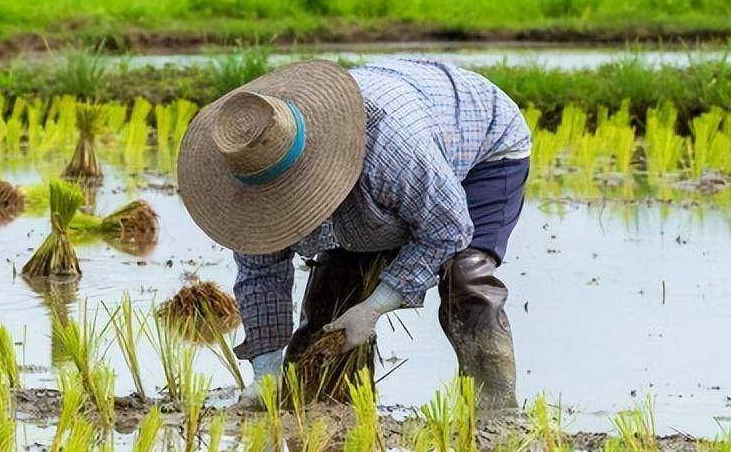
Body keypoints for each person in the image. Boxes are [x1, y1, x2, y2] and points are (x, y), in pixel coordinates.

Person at [176, 58, 531, 412]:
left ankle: (494, 408)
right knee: (331, 306)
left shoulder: (391, 149)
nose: (279, 204)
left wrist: (374, 308)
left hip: (481, 144)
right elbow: (261, 273)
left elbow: (446, 229)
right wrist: (266, 376)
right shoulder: (255, 170)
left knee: (464, 275)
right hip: (389, 169)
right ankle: (330, 408)